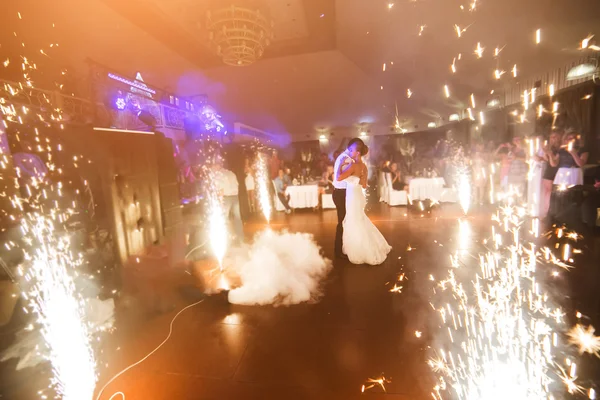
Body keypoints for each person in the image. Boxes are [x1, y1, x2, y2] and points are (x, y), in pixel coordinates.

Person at [336, 144, 391, 265]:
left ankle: (361, 250)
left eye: (352, 151)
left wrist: (340, 163)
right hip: (359, 195)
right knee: (359, 219)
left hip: (352, 196)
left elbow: (338, 177)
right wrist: (355, 180)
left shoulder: (353, 165)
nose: (350, 152)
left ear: (358, 153)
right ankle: (372, 245)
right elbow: (365, 185)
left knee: (354, 220)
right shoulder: (364, 166)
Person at [333, 139, 364, 259]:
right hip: (341, 193)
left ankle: (343, 249)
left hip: (342, 193)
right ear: (352, 148)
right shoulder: (346, 159)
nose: (357, 153)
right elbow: (341, 178)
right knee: (342, 222)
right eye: (357, 150)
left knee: (345, 221)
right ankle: (339, 250)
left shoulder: (346, 158)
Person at [213, 161, 244, 243]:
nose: (212, 169)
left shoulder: (218, 175)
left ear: (217, 166)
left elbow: (221, 190)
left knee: (224, 217)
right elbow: (237, 185)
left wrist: (220, 202)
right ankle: (241, 237)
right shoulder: (231, 173)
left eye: (213, 166)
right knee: (238, 218)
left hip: (226, 198)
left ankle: (226, 238)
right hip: (235, 197)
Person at [536, 130, 561, 218]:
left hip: (554, 175)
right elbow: (546, 160)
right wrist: (543, 154)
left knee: (550, 197)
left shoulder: (560, 149)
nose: (553, 139)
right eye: (552, 137)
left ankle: (549, 215)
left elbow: (554, 164)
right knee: (545, 196)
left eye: (555, 136)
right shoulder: (551, 149)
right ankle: (544, 214)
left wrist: (549, 153)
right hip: (547, 175)